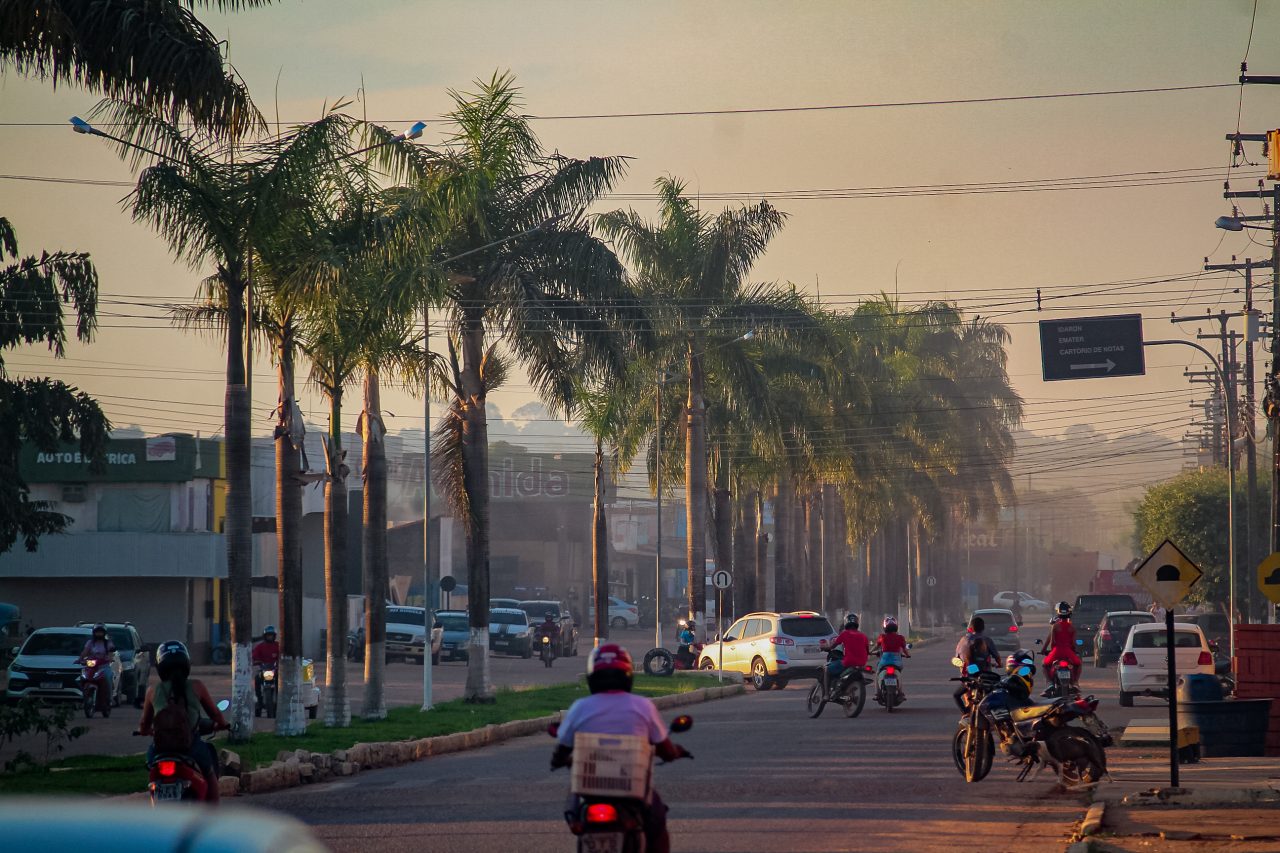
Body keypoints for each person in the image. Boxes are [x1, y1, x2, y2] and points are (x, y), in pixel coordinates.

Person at [551, 644, 690, 853]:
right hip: (630, 786)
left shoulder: (580, 707)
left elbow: (562, 748)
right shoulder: (643, 706)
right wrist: (674, 753)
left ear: (592, 677)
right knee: (657, 819)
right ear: (627, 675)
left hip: (590, 786)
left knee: (575, 806)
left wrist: (558, 760)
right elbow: (665, 748)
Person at [137, 640, 229, 803]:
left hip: (160, 749)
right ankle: (213, 817)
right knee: (210, 775)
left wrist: (146, 731)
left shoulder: (152, 691)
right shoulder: (197, 686)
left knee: (151, 769)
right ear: (186, 664)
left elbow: (144, 724)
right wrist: (222, 725)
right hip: (191, 746)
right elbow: (215, 714)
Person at [953, 615, 1002, 711]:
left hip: (969, 677)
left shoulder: (963, 640)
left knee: (957, 695)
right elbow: (997, 657)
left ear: (971, 628)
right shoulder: (987, 640)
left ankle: (965, 713)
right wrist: (999, 664)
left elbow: (957, 658)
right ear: (983, 628)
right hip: (986, 676)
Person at [819, 613, 871, 699]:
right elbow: (867, 651)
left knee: (827, 669)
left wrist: (825, 647)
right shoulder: (863, 636)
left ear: (846, 622)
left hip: (848, 662)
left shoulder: (844, 634)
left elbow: (832, 646)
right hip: (862, 663)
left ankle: (826, 695)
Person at [1041, 601, 1081, 697]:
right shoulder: (1072, 628)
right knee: (1078, 664)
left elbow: (1052, 641)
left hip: (1057, 651)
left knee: (1044, 665)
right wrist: (1075, 650)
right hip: (1068, 651)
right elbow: (1074, 643)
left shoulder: (1055, 626)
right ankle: (1075, 682)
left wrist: (1045, 650)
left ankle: (1050, 683)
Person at [78, 622, 117, 706]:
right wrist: (80, 659)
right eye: (97, 632)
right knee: (82, 677)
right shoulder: (90, 643)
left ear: (104, 633)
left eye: (101, 632)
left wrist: (109, 658)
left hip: (104, 666)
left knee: (108, 678)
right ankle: (84, 697)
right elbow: (85, 652)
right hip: (91, 665)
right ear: (94, 633)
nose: (99, 634)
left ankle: (110, 699)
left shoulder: (108, 643)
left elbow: (111, 653)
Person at [875, 615, 911, 701]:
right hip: (896, 661)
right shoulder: (900, 638)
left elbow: (876, 647)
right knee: (899, 675)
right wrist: (907, 655)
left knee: (877, 674)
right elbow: (905, 650)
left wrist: (870, 652)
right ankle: (900, 693)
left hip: (884, 661)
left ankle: (878, 693)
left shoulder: (882, 637)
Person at [252, 625, 281, 710]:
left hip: (275, 670)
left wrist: (281, 661)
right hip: (264, 670)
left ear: (274, 636)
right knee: (257, 679)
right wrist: (256, 661)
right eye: (268, 635)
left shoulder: (278, 646)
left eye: (271, 635)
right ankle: (259, 700)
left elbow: (282, 655)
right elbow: (254, 656)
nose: (270, 637)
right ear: (265, 636)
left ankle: (279, 700)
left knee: (280, 683)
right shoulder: (260, 647)